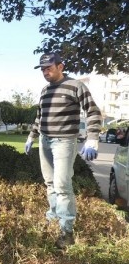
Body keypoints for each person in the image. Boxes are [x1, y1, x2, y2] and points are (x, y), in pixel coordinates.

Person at [25, 52, 102, 249]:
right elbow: (40, 116)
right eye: (42, 69)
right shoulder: (44, 90)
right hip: (45, 140)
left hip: (64, 142)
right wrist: (31, 136)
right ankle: (53, 215)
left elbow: (93, 111)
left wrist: (93, 138)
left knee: (62, 185)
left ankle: (67, 231)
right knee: (49, 182)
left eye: (48, 67)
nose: (45, 72)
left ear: (60, 66)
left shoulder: (76, 86)